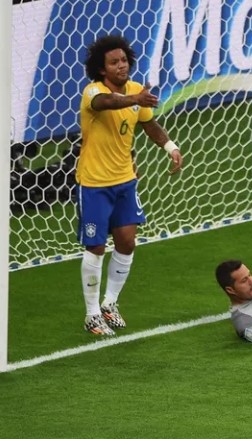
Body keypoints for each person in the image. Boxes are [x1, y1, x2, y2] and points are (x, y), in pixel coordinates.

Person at [76, 35, 184, 335]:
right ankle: (91, 313)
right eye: (114, 62)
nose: (121, 66)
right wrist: (134, 100)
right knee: (96, 246)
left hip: (125, 181)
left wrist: (171, 147)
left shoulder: (137, 91)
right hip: (94, 184)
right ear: (102, 69)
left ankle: (110, 304)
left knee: (126, 242)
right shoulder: (93, 92)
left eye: (124, 60)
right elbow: (105, 103)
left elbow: (148, 123)